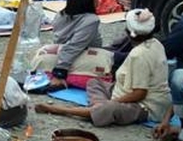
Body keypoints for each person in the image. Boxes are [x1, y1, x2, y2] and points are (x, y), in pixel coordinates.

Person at [36, 9, 170, 127]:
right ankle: (98, 108)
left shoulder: (139, 55)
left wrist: (114, 101)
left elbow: (140, 93)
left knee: (107, 108)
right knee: (94, 82)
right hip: (125, 91)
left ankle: (60, 110)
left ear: (130, 34)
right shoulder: (156, 43)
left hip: (144, 106)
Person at [31, 0, 102, 90]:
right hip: (76, 58)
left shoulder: (61, 14)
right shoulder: (91, 20)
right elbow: (73, 46)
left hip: (60, 54)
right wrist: (60, 73)